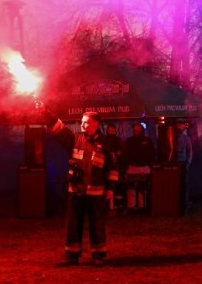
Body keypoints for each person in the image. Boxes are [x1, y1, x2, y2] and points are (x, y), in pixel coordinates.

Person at [45, 110, 118, 266]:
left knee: (96, 224)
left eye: (86, 122)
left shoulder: (106, 144)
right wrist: (45, 113)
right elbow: (58, 129)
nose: (82, 125)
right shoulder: (75, 139)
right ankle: (72, 255)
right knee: (73, 223)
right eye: (82, 121)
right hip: (76, 190)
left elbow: (113, 168)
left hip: (96, 193)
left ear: (96, 123)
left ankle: (98, 255)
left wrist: (110, 189)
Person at [122, 122, 155, 213]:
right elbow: (125, 154)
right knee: (131, 188)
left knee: (142, 188)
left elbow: (152, 154)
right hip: (133, 167)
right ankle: (132, 207)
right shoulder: (129, 141)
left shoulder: (147, 141)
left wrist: (149, 164)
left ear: (141, 130)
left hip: (143, 167)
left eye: (138, 129)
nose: (136, 131)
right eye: (134, 129)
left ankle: (142, 207)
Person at [173, 120, 193, 214]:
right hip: (174, 163)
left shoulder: (186, 138)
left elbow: (190, 151)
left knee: (184, 184)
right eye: (178, 125)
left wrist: (188, 162)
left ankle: (185, 205)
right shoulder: (172, 137)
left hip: (183, 162)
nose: (180, 127)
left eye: (181, 125)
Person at [103, 123, 123, 212]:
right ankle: (108, 206)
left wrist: (119, 154)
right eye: (110, 130)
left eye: (113, 130)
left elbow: (122, 152)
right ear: (107, 130)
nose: (111, 132)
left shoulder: (118, 141)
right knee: (108, 187)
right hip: (105, 168)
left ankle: (116, 206)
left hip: (116, 167)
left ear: (115, 131)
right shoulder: (104, 140)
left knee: (117, 187)